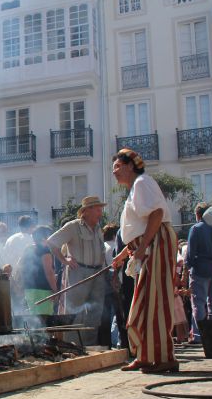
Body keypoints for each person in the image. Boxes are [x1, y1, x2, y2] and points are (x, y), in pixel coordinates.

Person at [111, 148, 177, 373]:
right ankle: (147, 355)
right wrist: (124, 254)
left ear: (130, 166)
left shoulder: (142, 183)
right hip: (148, 244)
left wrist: (143, 247)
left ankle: (162, 357)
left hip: (156, 242)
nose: (115, 172)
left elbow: (156, 215)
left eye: (118, 167)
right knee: (146, 302)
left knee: (154, 302)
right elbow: (138, 227)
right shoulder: (135, 188)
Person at [46, 196, 107, 345]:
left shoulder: (98, 228)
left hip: (98, 273)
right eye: (98, 209)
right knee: (75, 312)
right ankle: (73, 347)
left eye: (101, 209)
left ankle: (90, 347)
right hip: (79, 272)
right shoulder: (73, 226)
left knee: (95, 313)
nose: (101, 213)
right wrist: (64, 260)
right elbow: (52, 242)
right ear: (86, 211)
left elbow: (101, 253)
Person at [183, 202, 212, 343]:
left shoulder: (196, 228)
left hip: (200, 269)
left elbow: (191, 252)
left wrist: (189, 267)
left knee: (198, 303)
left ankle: (199, 335)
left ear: (198, 214)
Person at [19, 226, 57, 315]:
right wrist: (55, 290)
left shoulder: (28, 249)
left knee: (34, 320)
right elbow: (49, 272)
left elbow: (20, 267)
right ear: (45, 237)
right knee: (44, 319)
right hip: (43, 291)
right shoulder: (45, 250)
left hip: (29, 289)